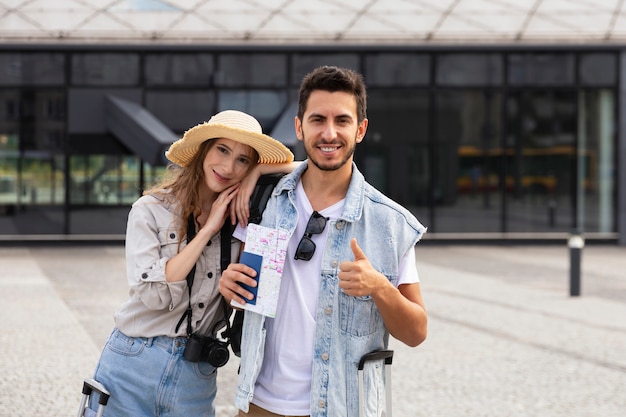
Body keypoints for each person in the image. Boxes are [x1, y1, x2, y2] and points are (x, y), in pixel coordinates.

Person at [219, 66, 428, 417]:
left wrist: (379, 286)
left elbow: (416, 332)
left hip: (342, 409)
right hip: (257, 404)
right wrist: (229, 286)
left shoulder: (388, 223)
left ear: (360, 129)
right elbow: (239, 296)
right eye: (317, 120)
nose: (329, 133)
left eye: (342, 121)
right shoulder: (265, 201)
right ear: (299, 126)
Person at [87, 110, 295, 417]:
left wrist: (257, 174)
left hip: (195, 374)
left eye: (243, 160)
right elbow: (153, 294)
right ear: (203, 151)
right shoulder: (150, 210)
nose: (228, 167)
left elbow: (312, 170)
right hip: (132, 363)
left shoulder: (243, 223)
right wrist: (208, 229)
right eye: (222, 150)